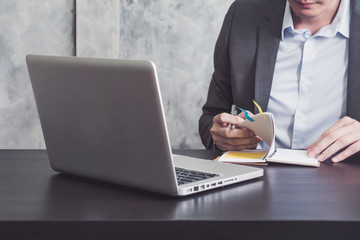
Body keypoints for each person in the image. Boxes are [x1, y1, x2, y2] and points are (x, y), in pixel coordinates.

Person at [199, 0, 360, 162]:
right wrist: (220, 137)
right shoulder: (243, 13)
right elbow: (211, 116)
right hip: (256, 175)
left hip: (346, 178)